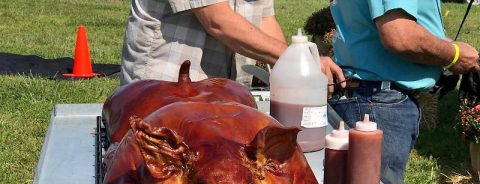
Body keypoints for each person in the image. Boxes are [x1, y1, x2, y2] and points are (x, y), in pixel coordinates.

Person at [328, 0, 480, 177]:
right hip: (378, 105)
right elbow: (400, 36)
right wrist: (453, 56)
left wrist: (448, 48)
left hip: (363, 97)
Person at [120, 0, 345, 91]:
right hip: (164, 89)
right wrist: (301, 60)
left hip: (219, 95)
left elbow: (265, 19)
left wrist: (296, 74)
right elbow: (217, 20)